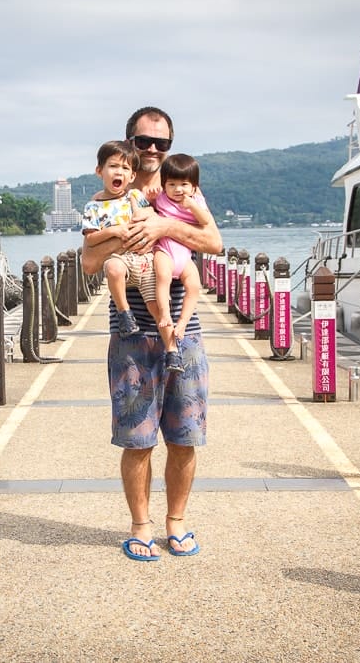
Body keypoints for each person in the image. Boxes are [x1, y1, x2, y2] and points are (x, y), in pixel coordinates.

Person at [81, 106, 223, 561]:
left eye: (162, 142)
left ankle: (176, 521)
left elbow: (213, 243)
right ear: (130, 143)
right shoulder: (109, 196)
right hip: (131, 336)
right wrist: (123, 237)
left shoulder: (183, 190)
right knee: (137, 438)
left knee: (185, 435)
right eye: (145, 142)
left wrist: (165, 226)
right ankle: (140, 525)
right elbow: (87, 263)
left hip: (185, 331)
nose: (154, 150)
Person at [81, 140, 160, 341]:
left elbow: (150, 214)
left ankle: (170, 341)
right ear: (99, 171)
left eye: (125, 168)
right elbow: (90, 240)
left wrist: (147, 206)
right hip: (119, 259)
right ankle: (124, 313)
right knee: (114, 269)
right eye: (113, 166)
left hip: (143, 261)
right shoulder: (93, 206)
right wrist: (115, 231)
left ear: (132, 175)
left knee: (155, 303)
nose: (119, 172)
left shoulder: (134, 195)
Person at [151, 154, 214, 372]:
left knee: (194, 286)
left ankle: (183, 322)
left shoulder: (196, 202)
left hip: (185, 255)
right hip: (165, 250)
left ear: (194, 186)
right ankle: (166, 314)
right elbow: (146, 206)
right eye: (172, 184)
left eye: (184, 184)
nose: (178, 189)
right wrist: (148, 196)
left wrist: (191, 205)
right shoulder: (161, 198)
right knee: (162, 278)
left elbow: (205, 221)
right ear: (164, 185)